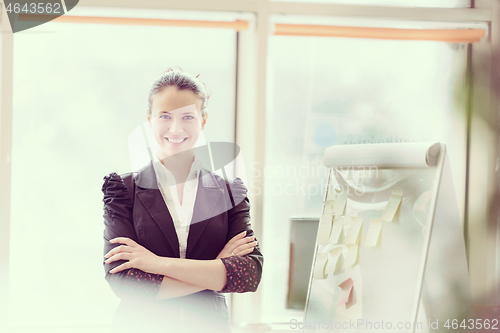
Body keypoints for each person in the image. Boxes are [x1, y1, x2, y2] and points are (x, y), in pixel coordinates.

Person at [101, 68, 263, 333]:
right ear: (149, 119)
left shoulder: (229, 193)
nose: (176, 129)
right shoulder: (122, 190)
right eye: (165, 116)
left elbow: (248, 274)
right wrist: (215, 271)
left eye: (188, 116)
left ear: (203, 120)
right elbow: (124, 280)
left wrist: (155, 263)